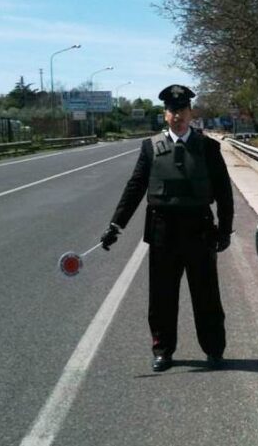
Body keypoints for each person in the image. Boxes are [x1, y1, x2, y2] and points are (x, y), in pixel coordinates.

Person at [100, 84, 234, 372]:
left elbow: (224, 192)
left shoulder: (209, 148)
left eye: (183, 110)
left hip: (199, 230)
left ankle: (214, 350)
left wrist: (225, 229)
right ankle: (163, 350)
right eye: (173, 111)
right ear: (165, 115)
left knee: (206, 295)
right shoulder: (150, 148)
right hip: (163, 231)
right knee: (162, 297)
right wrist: (116, 225)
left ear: (190, 112)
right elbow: (135, 188)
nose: (178, 116)